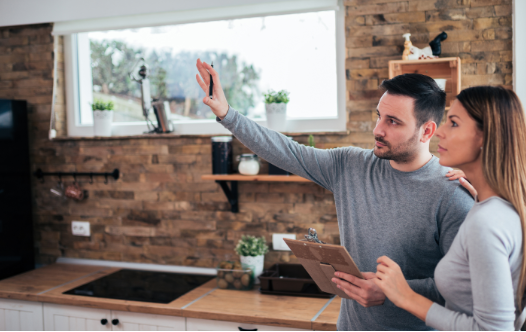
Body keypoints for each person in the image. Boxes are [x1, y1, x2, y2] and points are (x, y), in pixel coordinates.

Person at [195, 59, 475, 330]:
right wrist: (226, 113)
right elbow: (287, 151)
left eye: (393, 121)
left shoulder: (452, 194)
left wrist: (393, 291)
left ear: (427, 131)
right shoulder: (350, 165)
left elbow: (465, 289)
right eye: (379, 116)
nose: (378, 130)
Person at [373, 86, 526, 330]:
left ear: (485, 137)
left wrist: (405, 296)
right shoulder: (503, 208)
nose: (440, 132)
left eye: (454, 123)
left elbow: (493, 329)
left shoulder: (487, 223)